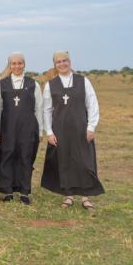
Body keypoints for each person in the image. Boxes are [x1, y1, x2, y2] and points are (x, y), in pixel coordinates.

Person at [41, 51, 103, 210]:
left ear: (70, 62)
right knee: (65, 162)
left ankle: (85, 196)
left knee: (84, 162)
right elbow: (46, 110)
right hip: (60, 130)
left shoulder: (83, 81)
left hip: (81, 129)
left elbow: (92, 104)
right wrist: (49, 131)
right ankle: (67, 195)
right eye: (58, 62)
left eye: (65, 61)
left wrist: (91, 127)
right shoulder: (51, 84)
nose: (62, 64)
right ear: (55, 65)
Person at [0, 52, 43, 204]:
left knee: (25, 157)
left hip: (28, 127)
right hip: (7, 127)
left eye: (20, 63)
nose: (17, 66)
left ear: (24, 64)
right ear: (10, 65)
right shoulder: (1, 84)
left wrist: (40, 131)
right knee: (7, 156)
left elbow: (38, 108)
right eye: (13, 64)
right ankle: (7, 191)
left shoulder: (33, 84)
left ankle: (24, 191)